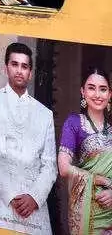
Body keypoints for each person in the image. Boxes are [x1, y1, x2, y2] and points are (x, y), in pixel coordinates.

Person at [0, 42, 56, 234]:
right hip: (1, 204)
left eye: (25, 66)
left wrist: (34, 197)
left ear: (30, 73)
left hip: (34, 209)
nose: (19, 70)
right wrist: (11, 196)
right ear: (6, 68)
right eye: (15, 64)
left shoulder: (44, 114)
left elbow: (50, 164)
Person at [58, 67, 112, 234]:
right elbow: (63, 167)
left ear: (110, 94)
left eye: (103, 89)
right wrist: (99, 180)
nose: (97, 94)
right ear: (82, 91)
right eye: (91, 87)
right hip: (87, 212)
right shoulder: (74, 123)